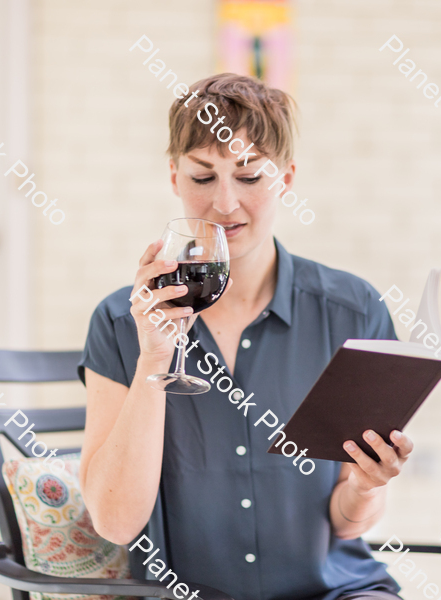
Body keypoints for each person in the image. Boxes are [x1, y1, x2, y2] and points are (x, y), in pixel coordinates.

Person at [78, 73, 413, 600]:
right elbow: (116, 524)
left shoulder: (354, 313)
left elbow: (348, 524)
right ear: (173, 177)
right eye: (203, 177)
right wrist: (153, 361)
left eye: (250, 177)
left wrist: (367, 486)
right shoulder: (120, 324)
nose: (226, 204)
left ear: (286, 179)